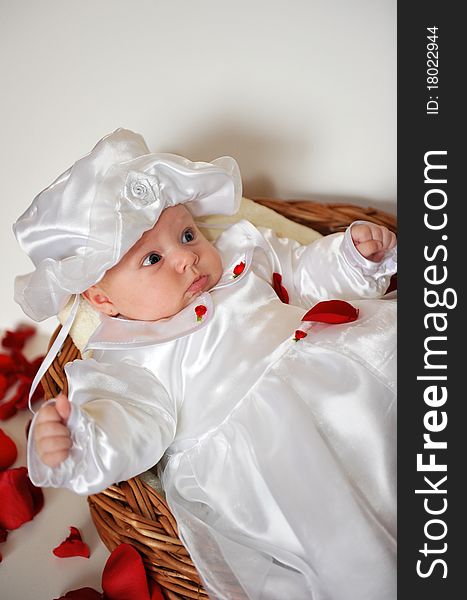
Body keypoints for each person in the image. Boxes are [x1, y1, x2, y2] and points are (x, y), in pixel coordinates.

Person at [15, 129, 397, 600]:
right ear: (101, 298)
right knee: (341, 535)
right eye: (152, 258)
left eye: (188, 234)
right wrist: (80, 438)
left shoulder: (243, 257)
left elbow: (303, 273)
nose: (187, 258)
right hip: (274, 448)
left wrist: (353, 256)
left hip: (341, 368)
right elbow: (128, 422)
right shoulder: (124, 357)